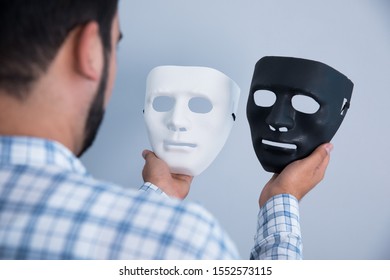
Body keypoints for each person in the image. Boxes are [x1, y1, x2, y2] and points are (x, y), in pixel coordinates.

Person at [0, 0, 332, 259]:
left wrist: (154, 202)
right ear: (89, 50)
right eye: (113, 44)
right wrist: (281, 202)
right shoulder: (182, 242)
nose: (177, 121)